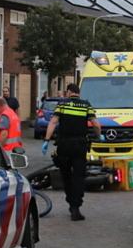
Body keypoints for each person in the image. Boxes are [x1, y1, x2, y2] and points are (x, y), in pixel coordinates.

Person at [43, 83, 102, 221]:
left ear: (69, 92)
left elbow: (53, 122)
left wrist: (46, 140)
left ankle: (71, 202)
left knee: (66, 175)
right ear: (78, 93)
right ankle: (76, 206)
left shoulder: (63, 104)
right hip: (80, 145)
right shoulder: (86, 105)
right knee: (79, 176)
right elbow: (96, 125)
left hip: (64, 145)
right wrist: (98, 137)